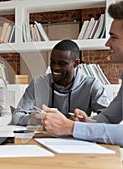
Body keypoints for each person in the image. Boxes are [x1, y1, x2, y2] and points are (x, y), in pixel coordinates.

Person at [43, 1, 123, 147]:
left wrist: (70, 127)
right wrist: (86, 123)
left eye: (114, 37)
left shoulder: (91, 83)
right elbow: (109, 117)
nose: (107, 43)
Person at [12, 39, 110, 126]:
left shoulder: (92, 85)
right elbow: (16, 116)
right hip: (44, 139)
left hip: (77, 140)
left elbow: (109, 118)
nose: (55, 68)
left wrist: (86, 121)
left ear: (76, 63)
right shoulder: (38, 83)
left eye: (62, 64)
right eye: (52, 62)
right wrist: (35, 119)